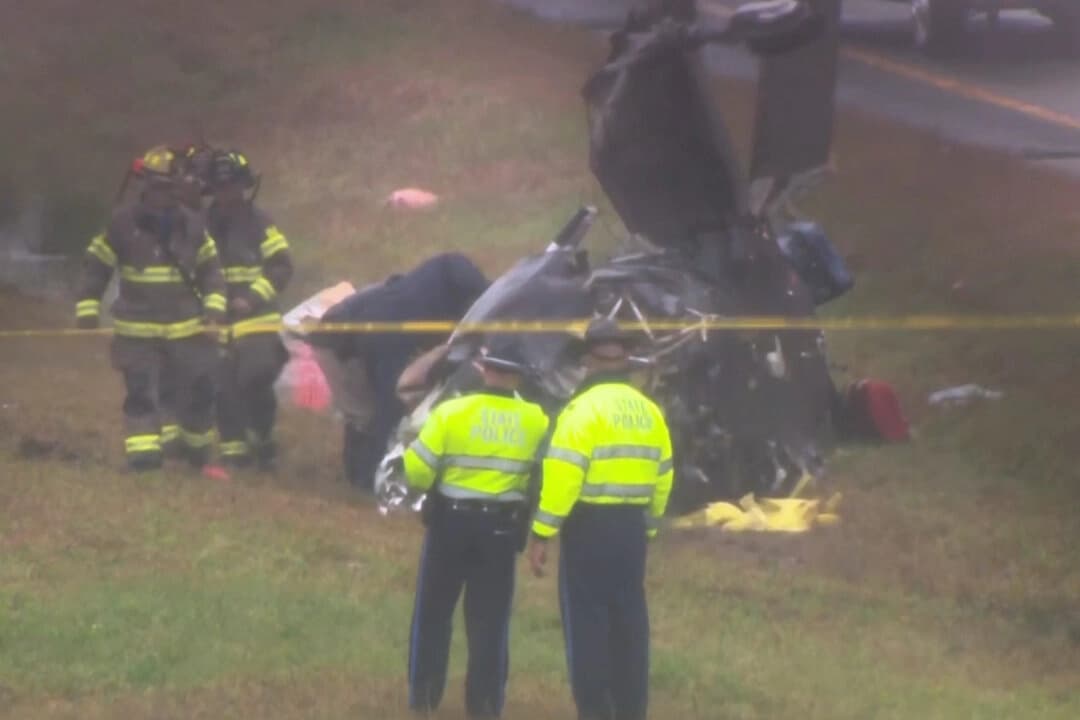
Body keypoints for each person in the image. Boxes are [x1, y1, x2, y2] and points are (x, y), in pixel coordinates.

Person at [527, 317, 674, 720]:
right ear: (626, 359)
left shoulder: (580, 411)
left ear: (588, 361)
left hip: (589, 530)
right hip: (631, 531)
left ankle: (594, 710)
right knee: (629, 623)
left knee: (586, 625)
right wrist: (651, 524)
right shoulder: (650, 412)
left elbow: (563, 477)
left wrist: (542, 532)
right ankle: (632, 709)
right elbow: (664, 472)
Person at [403, 341, 550, 718]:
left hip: (450, 524)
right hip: (500, 529)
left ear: (483, 369)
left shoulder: (451, 412)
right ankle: (484, 705)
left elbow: (417, 471)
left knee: (434, 612)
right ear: (516, 376)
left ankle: (424, 697)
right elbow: (541, 476)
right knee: (490, 619)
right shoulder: (535, 419)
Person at [75, 145, 226, 471]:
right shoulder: (122, 224)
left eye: (170, 188)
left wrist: (214, 312)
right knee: (141, 391)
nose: (164, 195)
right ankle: (143, 457)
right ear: (146, 186)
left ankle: (193, 451)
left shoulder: (192, 226)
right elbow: (97, 266)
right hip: (137, 331)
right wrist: (87, 307)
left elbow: (212, 270)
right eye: (158, 187)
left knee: (197, 390)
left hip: (186, 331)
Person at [307, 252, 490, 491]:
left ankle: (360, 477)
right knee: (373, 415)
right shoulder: (398, 327)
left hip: (355, 331)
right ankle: (367, 482)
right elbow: (390, 401)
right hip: (336, 344)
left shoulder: (439, 279)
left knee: (375, 414)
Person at [204, 149, 293, 469]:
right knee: (222, 385)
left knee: (254, 376)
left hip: (258, 319)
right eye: (219, 187)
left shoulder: (260, 223)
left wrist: (251, 299)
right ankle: (234, 452)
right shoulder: (201, 225)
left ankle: (262, 434)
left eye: (232, 186)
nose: (226, 193)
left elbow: (281, 266)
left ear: (244, 186)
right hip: (217, 321)